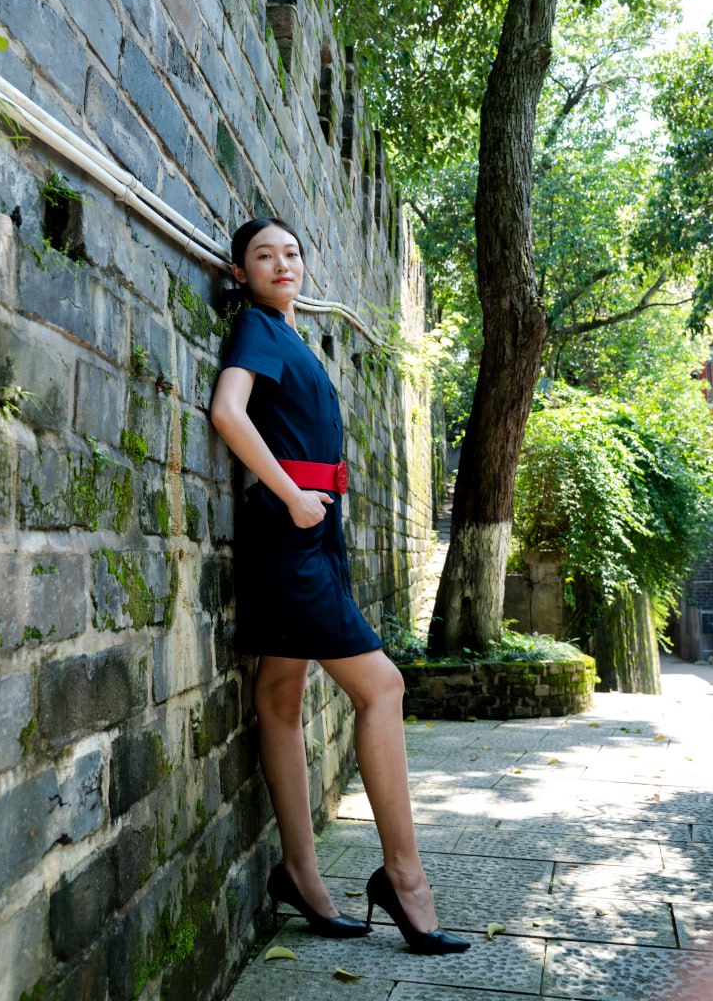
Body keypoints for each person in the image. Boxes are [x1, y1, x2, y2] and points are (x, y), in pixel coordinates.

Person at [210, 217, 469, 955]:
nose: (281, 263)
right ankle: (405, 880)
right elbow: (227, 411)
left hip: (312, 528)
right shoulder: (259, 328)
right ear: (240, 272)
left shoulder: (293, 337)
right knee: (382, 687)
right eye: (263, 255)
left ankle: (300, 874)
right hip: (291, 529)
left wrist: (306, 507)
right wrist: (293, 496)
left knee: (278, 695)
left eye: (291, 252)